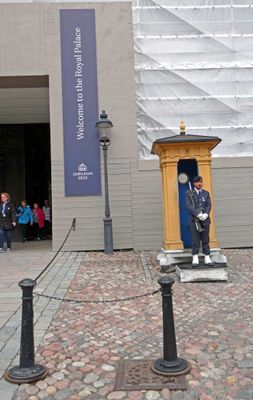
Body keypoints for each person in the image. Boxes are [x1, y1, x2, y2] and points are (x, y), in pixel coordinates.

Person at [185, 176, 213, 266]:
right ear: (194, 183)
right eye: (198, 182)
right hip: (194, 220)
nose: (200, 184)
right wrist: (198, 214)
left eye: (201, 182)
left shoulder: (206, 193)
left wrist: (206, 214)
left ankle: (207, 256)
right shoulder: (189, 193)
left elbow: (209, 205)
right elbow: (189, 206)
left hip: (205, 220)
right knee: (195, 239)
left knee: (205, 239)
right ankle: (195, 256)